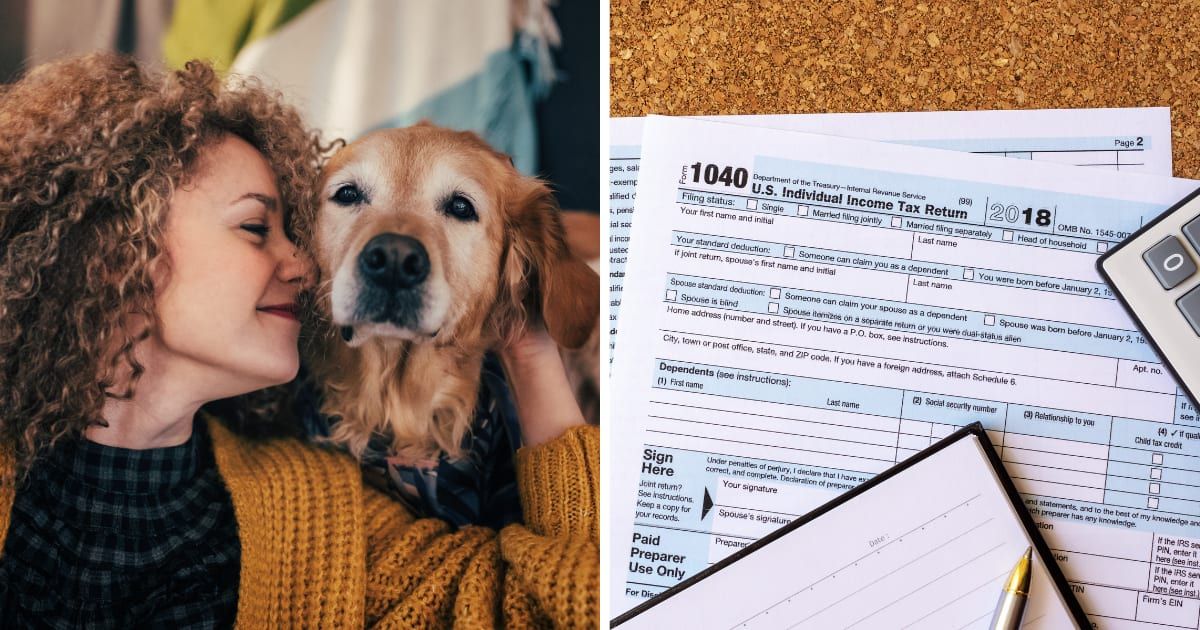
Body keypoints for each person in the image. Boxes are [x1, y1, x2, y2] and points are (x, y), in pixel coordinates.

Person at [0, 53, 597, 627]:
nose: (305, 263)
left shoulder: (323, 518)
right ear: (113, 251)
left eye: (295, 230)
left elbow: (588, 604)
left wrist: (529, 339)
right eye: (257, 228)